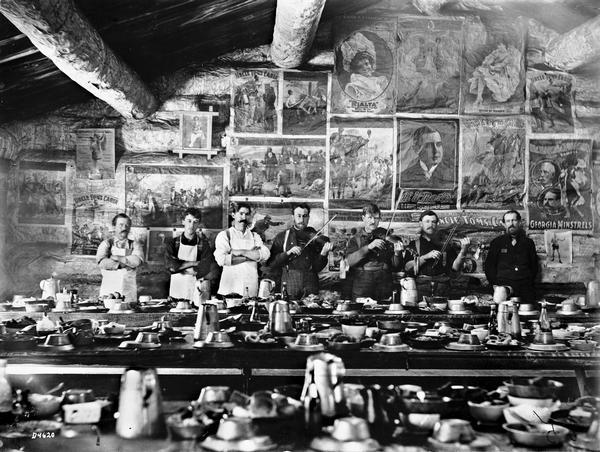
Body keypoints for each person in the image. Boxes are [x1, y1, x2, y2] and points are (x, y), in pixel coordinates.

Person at [267, 204, 333, 299]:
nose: (302, 219)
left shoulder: (315, 237)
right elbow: (272, 263)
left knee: (312, 308)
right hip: (290, 281)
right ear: (293, 216)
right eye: (298, 216)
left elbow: (317, 268)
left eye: (305, 216)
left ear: (308, 217)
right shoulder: (282, 236)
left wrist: (323, 253)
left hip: (311, 281)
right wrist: (287, 253)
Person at [346, 204, 405, 300]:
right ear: (363, 218)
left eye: (376, 218)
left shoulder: (386, 236)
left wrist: (397, 254)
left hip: (384, 283)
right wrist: (368, 247)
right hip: (362, 284)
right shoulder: (355, 239)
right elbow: (350, 261)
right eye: (370, 217)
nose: (373, 221)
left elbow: (396, 266)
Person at [405, 210, 470, 297]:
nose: (430, 225)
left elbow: (455, 268)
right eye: (427, 221)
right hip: (421, 288)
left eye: (433, 222)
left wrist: (463, 251)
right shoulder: (414, 244)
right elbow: (407, 267)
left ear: (437, 224)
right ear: (421, 223)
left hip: (443, 288)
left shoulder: (445, 244)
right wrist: (425, 257)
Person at [214, 202, 270, 297]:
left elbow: (265, 254)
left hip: (251, 287)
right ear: (233, 215)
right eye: (241, 213)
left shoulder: (254, 236)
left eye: (247, 214)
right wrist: (252, 256)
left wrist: (240, 252)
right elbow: (222, 260)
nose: (244, 217)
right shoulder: (224, 235)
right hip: (230, 288)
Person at [164, 208, 220, 303]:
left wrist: (181, 266)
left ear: (198, 224)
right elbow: (172, 266)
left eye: (195, 222)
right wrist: (195, 263)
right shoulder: (172, 243)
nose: (191, 225)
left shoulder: (203, 245)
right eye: (189, 221)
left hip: (196, 290)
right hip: (176, 290)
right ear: (183, 221)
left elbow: (204, 268)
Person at [484, 210, 539, 303]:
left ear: (519, 222)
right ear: (504, 224)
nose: (511, 224)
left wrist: (527, 282)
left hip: (524, 287)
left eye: (514, 220)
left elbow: (534, 267)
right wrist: (495, 285)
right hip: (502, 286)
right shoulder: (497, 242)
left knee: (526, 313)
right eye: (508, 221)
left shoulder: (528, 243)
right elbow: (489, 267)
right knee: (502, 312)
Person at [96, 213, 144, 303]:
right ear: (114, 227)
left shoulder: (135, 244)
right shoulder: (106, 244)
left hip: (128, 290)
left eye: (127, 225)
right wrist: (125, 263)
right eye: (121, 225)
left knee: (128, 314)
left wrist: (115, 257)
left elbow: (137, 261)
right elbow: (102, 263)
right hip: (109, 290)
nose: (124, 228)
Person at [339, 32, 389, 101]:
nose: (368, 67)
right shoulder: (352, 87)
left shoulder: (378, 81)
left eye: (368, 64)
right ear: (356, 68)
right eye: (362, 66)